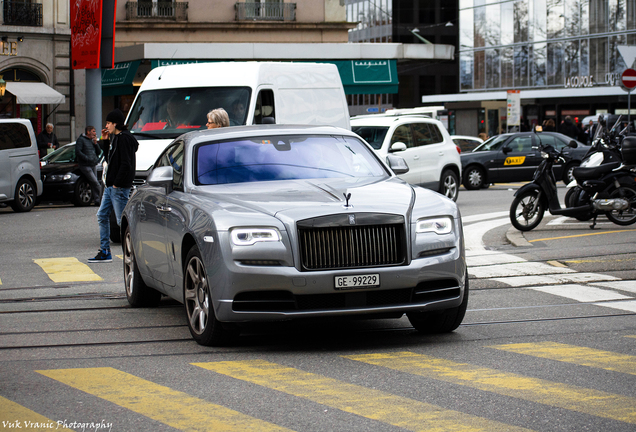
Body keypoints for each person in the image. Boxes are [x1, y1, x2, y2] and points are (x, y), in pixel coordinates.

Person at [88, 109, 138, 263]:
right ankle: (105, 251)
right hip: (111, 187)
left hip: (118, 187)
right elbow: (110, 158)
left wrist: (116, 183)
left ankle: (134, 254)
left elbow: (126, 164)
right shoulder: (116, 138)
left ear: (115, 123)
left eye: (108, 123)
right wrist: (105, 140)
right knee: (102, 216)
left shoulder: (124, 139)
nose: (106, 125)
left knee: (122, 221)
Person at [75, 125, 102, 206]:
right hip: (85, 165)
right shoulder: (81, 140)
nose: (95, 133)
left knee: (93, 183)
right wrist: (86, 158)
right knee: (95, 182)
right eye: (93, 131)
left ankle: (97, 200)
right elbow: (78, 151)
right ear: (88, 132)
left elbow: (98, 152)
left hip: (93, 164)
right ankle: (104, 197)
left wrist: (96, 144)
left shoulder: (92, 141)